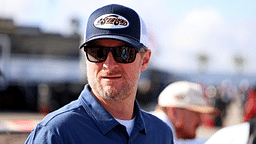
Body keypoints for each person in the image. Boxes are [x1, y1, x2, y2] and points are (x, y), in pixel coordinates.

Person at [25, 4, 174, 144]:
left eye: (123, 53)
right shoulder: (56, 134)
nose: (109, 65)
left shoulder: (161, 134)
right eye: (97, 53)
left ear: (145, 59)